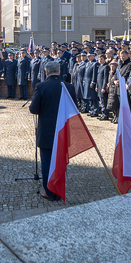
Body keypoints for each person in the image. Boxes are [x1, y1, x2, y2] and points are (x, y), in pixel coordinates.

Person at [29, 59, 77, 200]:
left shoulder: (41, 86)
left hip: (46, 131)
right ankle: (60, 189)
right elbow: (74, 109)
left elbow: (34, 109)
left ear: (46, 72)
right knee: (60, 161)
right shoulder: (69, 87)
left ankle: (50, 192)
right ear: (59, 71)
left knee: (47, 162)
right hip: (63, 130)